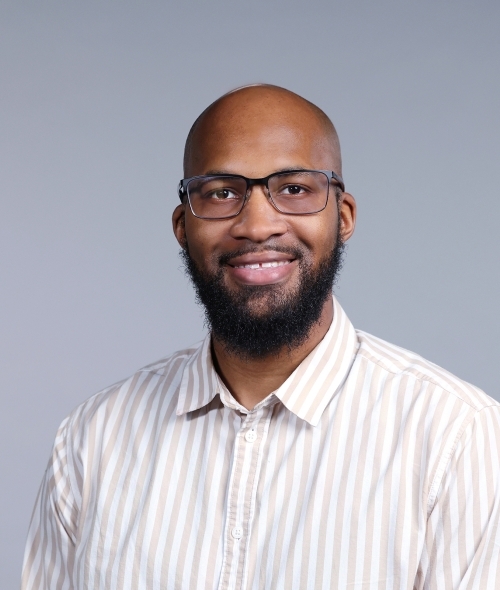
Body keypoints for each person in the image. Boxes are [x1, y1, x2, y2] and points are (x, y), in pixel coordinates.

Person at [22, 84, 500, 590]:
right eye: (222, 192)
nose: (256, 224)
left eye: (294, 188)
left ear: (343, 218)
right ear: (183, 226)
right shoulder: (93, 439)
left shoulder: (459, 442)